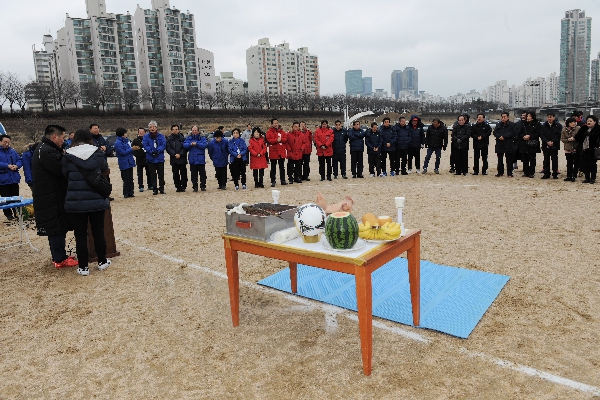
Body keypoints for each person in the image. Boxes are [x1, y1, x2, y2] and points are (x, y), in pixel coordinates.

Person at [62, 129, 111, 276]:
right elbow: (104, 170)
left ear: (75, 139)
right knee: (98, 232)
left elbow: (65, 174)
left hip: (76, 201)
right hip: (95, 198)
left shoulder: (67, 155)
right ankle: (102, 261)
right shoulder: (97, 153)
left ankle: (83, 266)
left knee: (80, 235)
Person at [32, 125, 78, 269]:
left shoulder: (45, 149)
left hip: (53, 194)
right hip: (50, 196)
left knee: (59, 226)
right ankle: (59, 258)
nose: (63, 141)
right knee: (55, 228)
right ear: (54, 136)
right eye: (63, 138)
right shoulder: (46, 151)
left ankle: (61, 255)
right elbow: (60, 169)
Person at [0, 135, 23, 220]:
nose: (7, 144)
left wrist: (17, 166)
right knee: (5, 198)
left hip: (14, 178)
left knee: (15, 197)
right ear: (0, 142)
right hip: (3, 179)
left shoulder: (12, 151)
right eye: (5, 142)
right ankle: (8, 214)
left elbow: (20, 160)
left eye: (8, 142)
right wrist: (7, 166)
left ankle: (17, 213)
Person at [142, 120, 167, 195]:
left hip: (159, 158)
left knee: (161, 174)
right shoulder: (146, 136)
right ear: (149, 128)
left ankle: (161, 188)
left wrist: (158, 151)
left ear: (156, 128)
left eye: (154, 127)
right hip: (151, 158)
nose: (152, 128)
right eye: (151, 127)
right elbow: (145, 145)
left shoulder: (161, 136)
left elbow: (163, 145)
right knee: (152, 175)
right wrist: (151, 151)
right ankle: (154, 189)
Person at [574, 115, 600, 184]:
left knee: (592, 164)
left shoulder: (598, 129)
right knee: (585, 164)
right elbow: (577, 138)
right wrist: (584, 133)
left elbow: (595, 138)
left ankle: (593, 178)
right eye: (588, 121)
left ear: (595, 122)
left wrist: (590, 134)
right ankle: (587, 177)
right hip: (584, 149)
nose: (589, 122)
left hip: (593, 149)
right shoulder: (584, 128)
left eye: (590, 121)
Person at [183, 125, 208, 192]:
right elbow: (184, 145)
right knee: (193, 175)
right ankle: (195, 187)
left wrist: (196, 144)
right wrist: (190, 144)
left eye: (195, 130)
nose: (194, 131)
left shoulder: (202, 138)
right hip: (192, 159)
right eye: (193, 130)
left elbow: (204, 145)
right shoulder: (189, 138)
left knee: (202, 174)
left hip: (200, 159)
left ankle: (203, 186)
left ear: (198, 131)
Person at [114, 127, 137, 198]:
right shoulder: (118, 143)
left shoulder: (126, 141)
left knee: (130, 178)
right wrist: (131, 149)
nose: (126, 134)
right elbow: (122, 152)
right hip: (123, 162)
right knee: (126, 178)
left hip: (129, 161)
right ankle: (126, 193)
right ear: (122, 134)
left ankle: (131, 192)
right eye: (125, 133)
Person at [518, 111, 541, 178]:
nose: (528, 117)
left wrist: (530, 136)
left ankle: (531, 172)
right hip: (524, 143)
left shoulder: (537, 124)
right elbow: (519, 133)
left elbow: (538, 134)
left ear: (533, 117)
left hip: (532, 144)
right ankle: (525, 172)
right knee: (525, 159)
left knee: (532, 158)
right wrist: (523, 136)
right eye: (527, 116)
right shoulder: (523, 124)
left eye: (529, 116)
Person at [539, 112, 563, 179]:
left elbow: (558, 135)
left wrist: (552, 141)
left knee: (554, 159)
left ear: (554, 118)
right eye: (548, 117)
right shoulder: (543, 126)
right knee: (546, 160)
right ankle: (546, 173)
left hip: (554, 145)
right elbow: (542, 135)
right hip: (545, 145)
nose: (549, 118)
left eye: (551, 117)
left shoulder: (558, 126)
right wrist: (547, 141)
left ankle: (555, 173)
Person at [166, 124, 188, 192]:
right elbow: (168, 148)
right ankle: (178, 186)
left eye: (177, 129)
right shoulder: (169, 139)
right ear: (172, 130)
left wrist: (180, 154)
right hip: (174, 159)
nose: (176, 130)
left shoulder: (182, 138)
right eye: (174, 129)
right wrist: (174, 154)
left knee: (183, 173)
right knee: (175, 174)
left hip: (182, 159)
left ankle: (183, 186)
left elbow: (185, 147)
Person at [266, 118, 288, 187]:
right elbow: (269, 140)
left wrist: (281, 139)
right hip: (273, 151)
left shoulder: (282, 131)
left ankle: (283, 180)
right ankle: (273, 181)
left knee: (282, 167)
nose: (276, 124)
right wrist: (276, 140)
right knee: (273, 168)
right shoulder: (269, 131)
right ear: (272, 124)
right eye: (274, 123)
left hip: (281, 151)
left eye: (277, 123)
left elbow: (285, 139)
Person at [493, 112, 516, 177]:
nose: (503, 118)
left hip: (508, 144)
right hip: (499, 144)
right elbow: (495, 132)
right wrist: (499, 136)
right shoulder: (498, 125)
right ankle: (500, 172)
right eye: (502, 117)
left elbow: (512, 132)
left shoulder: (512, 125)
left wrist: (504, 136)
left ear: (508, 117)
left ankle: (509, 172)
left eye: (504, 117)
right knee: (500, 159)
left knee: (509, 159)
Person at [560, 117, 580, 182]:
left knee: (576, 162)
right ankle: (569, 176)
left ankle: (574, 176)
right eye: (571, 122)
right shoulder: (564, 130)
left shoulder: (578, 128)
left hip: (576, 148)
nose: (573, 123)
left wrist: (574, 139)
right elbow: (562, 139)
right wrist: (568, 139)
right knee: (569, 163)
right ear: (568, 123)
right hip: (568, 148)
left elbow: (581, 137)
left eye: (574, 122)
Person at [132, 127, 151, 192]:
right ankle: (141, 186)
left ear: (145, 132)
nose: (141, 132)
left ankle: (150, 185)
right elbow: (133, 149)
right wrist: (137, 155)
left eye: (142, 131)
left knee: (149, 172)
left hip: (147, 159)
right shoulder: (135, 140)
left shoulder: (148, 139)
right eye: (139, 131)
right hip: (139, 159)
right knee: (140, 174)